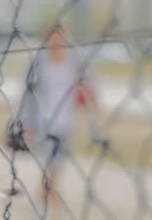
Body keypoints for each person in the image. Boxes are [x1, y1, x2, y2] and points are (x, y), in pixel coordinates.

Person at [10, 23, 99, 216]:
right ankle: (51, 201)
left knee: (57, 163)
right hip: (43, 121)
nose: (57, 40)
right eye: (54, 36)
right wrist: (25, 122)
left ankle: (44, 194)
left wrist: (92, 98)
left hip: (67, 120)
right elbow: (27, 92)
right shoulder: (38, 61)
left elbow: (90, 82)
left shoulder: (74, 59)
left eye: (61, 36)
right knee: (53, 163)